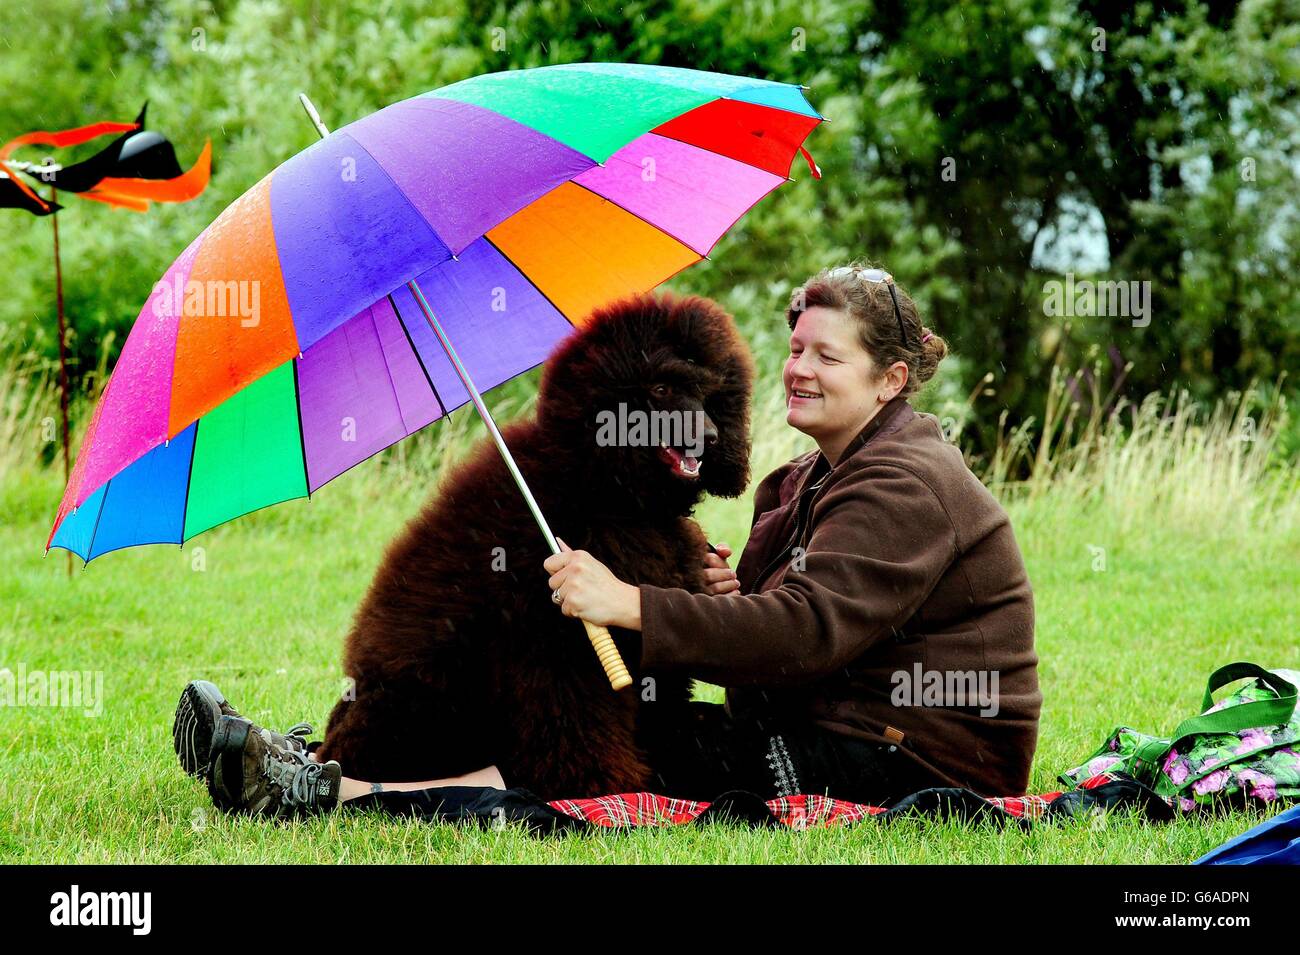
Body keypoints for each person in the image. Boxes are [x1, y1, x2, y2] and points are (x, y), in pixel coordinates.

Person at [174, 263, 1042, 818]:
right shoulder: (805, 479)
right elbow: (794, 620)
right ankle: (334, 758)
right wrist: (722, 596)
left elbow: (807, 633)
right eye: (795, 347)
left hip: (914, 762)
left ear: (892, 380)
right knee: (596, 722)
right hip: (843, 728)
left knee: (609, 762)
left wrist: (627, 603)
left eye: (829, 357)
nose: (799, 369)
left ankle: (327, 790)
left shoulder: (908, 481)